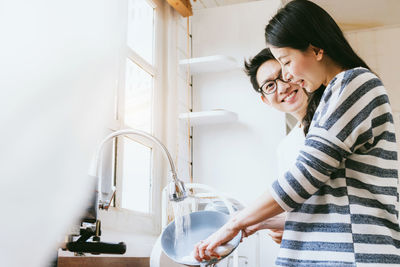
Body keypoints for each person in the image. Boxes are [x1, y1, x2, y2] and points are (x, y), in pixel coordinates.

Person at [194, 0, 400, 266]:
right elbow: (322, 201)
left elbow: (305, 175)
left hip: (354, 253)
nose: (288, 78)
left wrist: (234, 223)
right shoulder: (333, 99)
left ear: (315, 49)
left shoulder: (354, 84)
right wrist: (258, 222)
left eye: (286, 63)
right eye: (271, 82)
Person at [241, 47, 324, 245]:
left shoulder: (329, 118)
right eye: (270, 86)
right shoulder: (285, 148)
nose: (282, 87)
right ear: (265, 100)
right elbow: (299, 208)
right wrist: (282, 224)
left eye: (284, 75)